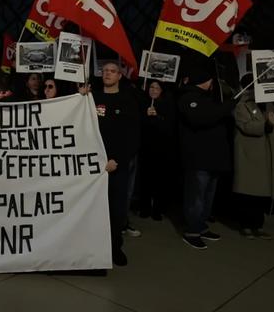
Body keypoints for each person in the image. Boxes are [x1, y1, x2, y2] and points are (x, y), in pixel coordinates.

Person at [178, 61, 235, 250]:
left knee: (208, 195)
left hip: (213, 157)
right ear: (204, 81)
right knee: (196, 196)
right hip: (198, 158)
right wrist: (227, 107)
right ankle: (191, 230)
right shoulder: (189, 98)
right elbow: (201, 118)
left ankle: (201, 226)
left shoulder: (209, 98)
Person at [91, 62, 141, 265]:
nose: (107, 74)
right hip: (93, 164)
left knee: (116, 210)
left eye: (112, 71)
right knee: (93, 208)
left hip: (115, 166)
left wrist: (117, 160)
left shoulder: (128, 101)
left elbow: (133, 136)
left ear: (120, 76)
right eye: (104, 71)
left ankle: (114, 247)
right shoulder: (92, 98)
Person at [233, 73, 274, 239]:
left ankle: (258, 224)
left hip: (266, 155)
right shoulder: (242, 106)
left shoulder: (269, 105)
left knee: (262, 193)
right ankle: (246, 224)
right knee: (249, 193)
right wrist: (266, 125)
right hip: (250, 155)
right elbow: (247, 126)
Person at [138, 80, 177, 221]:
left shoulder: (168, 104)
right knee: (145, 179)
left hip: (162, 149)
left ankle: (158, 209)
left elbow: (170, 127)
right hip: (146, 148)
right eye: (151, 87)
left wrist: (158, 117)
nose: (153, 90)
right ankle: (144, 207)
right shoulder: (143, 103)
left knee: (160, 180)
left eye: (157, 88)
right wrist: (145, 115)